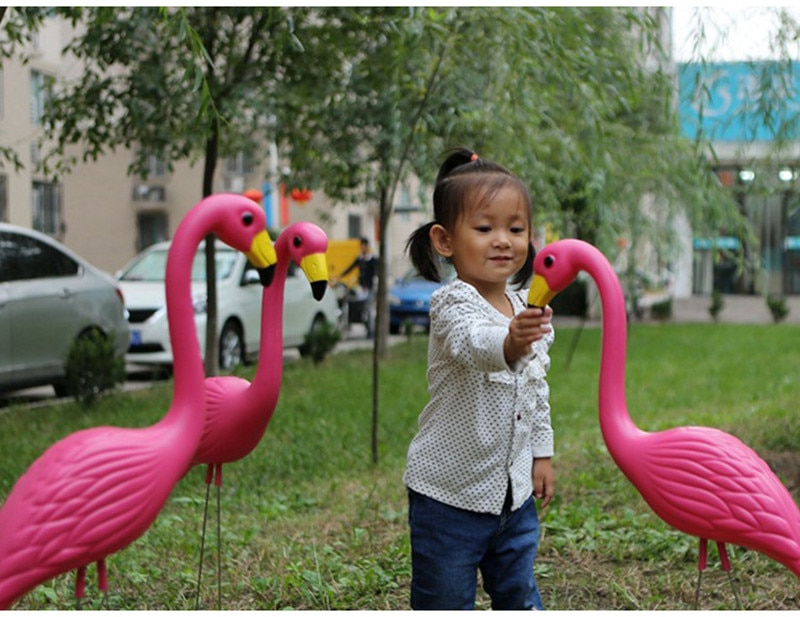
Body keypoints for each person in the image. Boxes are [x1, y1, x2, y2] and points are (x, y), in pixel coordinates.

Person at [403, 147, 555, 610]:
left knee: (518, 592)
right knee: (444, 599)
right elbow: (477, 345)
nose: (503, 241)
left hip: (514, 498)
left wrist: (541, 453)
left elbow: (536, 390)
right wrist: (511, 342)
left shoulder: (526, 303)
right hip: (447, 498)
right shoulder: (451, 304)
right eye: (484, 228)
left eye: (515, 229)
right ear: (445, 241)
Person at [341, 236, 378, 338]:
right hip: (360, 288)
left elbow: (374, 274)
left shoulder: (372, 260)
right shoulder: (360, 259)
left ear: (366, 247)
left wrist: (369, 285)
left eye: (363, 246)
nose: (362, 248)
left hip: (369, 288)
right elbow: (351, 267)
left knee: (369, 309)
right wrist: (341, 275)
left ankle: (370, 331)